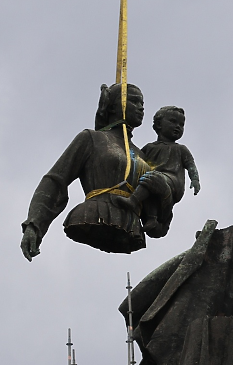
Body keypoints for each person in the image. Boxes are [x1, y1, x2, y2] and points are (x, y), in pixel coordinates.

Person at [20, 83, 170, 256]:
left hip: (130, 226)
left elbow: (157, 229)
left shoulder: (143, 155)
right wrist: (34, 224)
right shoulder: (92, 139)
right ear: (114, 105)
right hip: (93, 216)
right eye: (134, 101)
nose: (141, 108)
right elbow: (55, 180)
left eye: (142, 104)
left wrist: (165, 194)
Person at [112, 106, 200, 238]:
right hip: (151, 179)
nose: (178, 126)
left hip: (172, 182)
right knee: (146, 183)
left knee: (151, 179)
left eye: (181, 124)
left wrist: (195, 180)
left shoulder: (181, 149)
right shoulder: (149, 147)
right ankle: (152, 219)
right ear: (158, 124)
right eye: (173, 122)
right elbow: (137, 160)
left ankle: (133, 201)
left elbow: (191, 165)